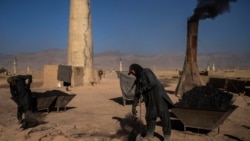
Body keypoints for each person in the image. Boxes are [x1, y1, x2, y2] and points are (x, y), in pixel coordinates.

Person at [128, 63, 174, 141]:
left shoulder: (147, 72)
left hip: (158, 97)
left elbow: (153, 83)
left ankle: (167, 136)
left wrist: (142, 89)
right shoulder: (138, 79)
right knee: (150, 117)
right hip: (149, 100)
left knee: (164, 116)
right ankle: (149, 134)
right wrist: (134, 106)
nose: (132, 74)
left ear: (134, 70)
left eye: (132, 72)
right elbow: (137, 94)